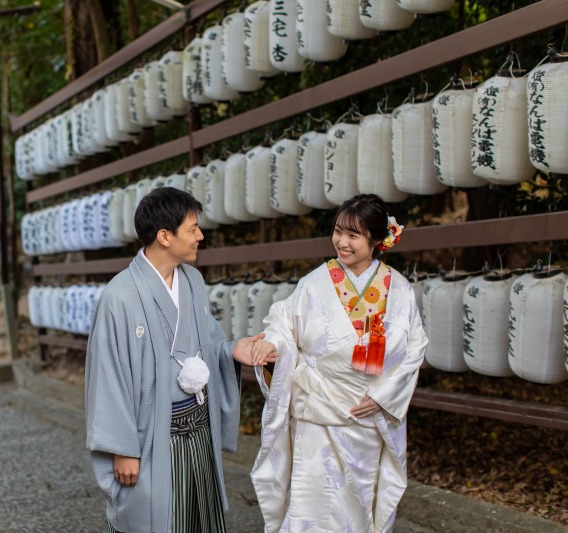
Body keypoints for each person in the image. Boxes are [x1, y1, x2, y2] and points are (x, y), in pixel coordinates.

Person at [85, 186, 273, 533]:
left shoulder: (192, 281)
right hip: (151, 436)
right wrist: (122, 448)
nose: (200, 236)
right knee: (156, 520)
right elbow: (107, 377)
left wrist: (231, 350)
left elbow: (206, 337)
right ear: (164, 236)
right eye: (193, 229)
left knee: (199, 518)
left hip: (197, 428)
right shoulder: (120, 296)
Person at [249, 194, 428, 533]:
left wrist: (384, 396)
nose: (342, 243)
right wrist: (272, 344)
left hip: (368, 410)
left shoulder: (400, 290)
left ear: (377, 240)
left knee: (358, 503)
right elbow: (285, 325)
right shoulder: (314, 284)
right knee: (311, 499)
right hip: (316, 406)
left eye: (353, 235)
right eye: (338, 232)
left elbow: (414, 348)